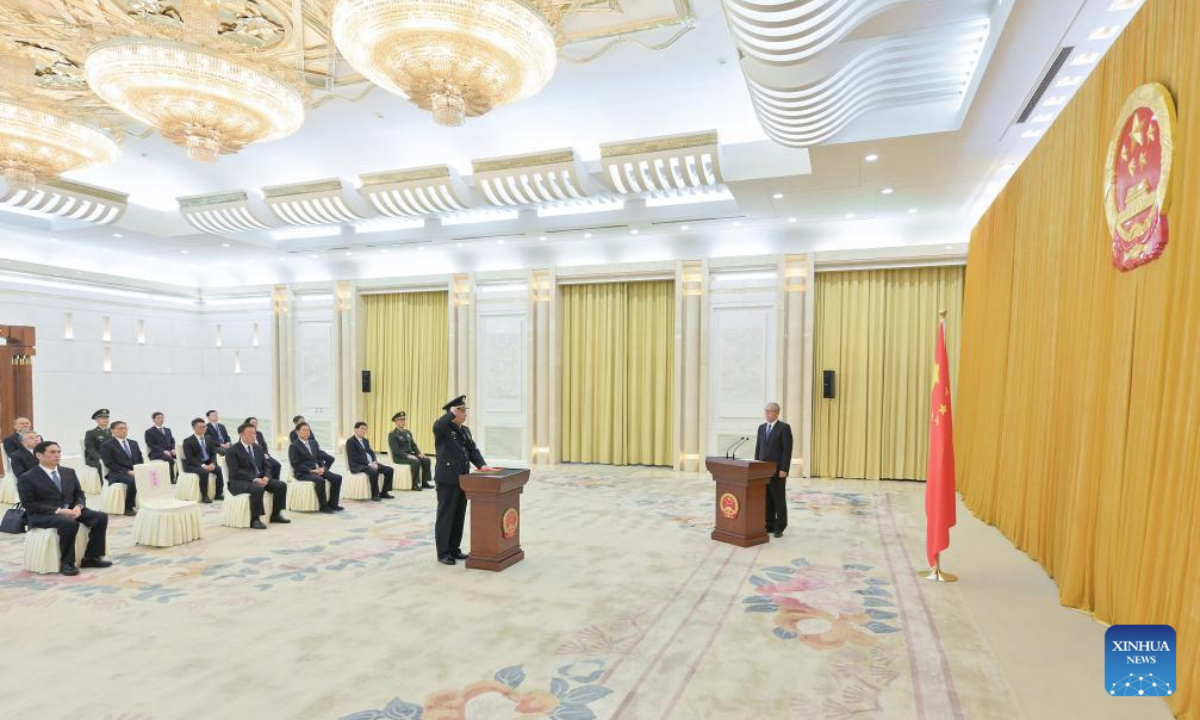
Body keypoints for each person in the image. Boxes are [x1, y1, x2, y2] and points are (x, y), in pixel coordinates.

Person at [17, 441, 112, 576]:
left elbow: (79, 493)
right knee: (67, 522)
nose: (57, 455)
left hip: (71, 509)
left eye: (59, 452)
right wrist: (59, 511)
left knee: (101, 516)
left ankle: (91, 557)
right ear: (39, 455)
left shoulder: (68, 472)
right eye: (52, 452)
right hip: (42, 514)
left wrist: (79, 506)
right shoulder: (27, 477)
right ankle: (67, 563)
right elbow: (29, 504)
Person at [432, 396, 497, 565]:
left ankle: (454, 549)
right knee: (446, 516)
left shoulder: (465, 430)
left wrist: (482, 465)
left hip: (463, 478)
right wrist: (449, 415)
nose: (466, 414)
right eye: (462, 410)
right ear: (454, 412)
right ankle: (443, 553)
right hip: (447, 479)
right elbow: (438, 426)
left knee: (458, 515)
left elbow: (472, 449)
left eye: (465, 410)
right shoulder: (444, 428)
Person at [225, 422, 289, 529]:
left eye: (254, 433)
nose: (253, 436)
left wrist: (266, 477)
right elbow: (235, 471)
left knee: (281, 485)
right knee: (257, 489)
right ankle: (255, 519)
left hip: (259, 479)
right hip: (239, 481)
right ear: (241, 434)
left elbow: (266, 466)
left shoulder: (258, 448)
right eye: (250, 433)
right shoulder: (232, 450)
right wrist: (254, 479)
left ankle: (276, 514)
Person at [754, 402, 793, 538]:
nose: (767, 414)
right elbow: (758, 449)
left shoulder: (784, 428)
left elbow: (787, 451)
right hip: (763, 470)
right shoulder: (761, 428)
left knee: (778, 499)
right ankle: (769, 524)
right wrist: (755, 466)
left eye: (769, 411)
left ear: (776, 413)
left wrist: (784, 469)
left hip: (777, 470)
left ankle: (780, 526)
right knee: (767, 498)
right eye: (766, 411)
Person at [288, 422, 343, 513]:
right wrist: (311, 470)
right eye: (304, 430)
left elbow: (319, 458)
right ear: (297, 432)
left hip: (318, 470)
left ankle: (333, 504)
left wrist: (323, 468)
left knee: (337, 478)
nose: (307, 432)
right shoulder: (294, 446)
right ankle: (323, 506)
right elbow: (295, 464)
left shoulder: (313, 443)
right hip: (304, 472)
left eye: (308, 430)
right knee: (320, 480)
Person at [99, 421, 141, 516]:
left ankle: (147, 502)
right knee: (133, 480)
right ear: (112, 431)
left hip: (134, 471)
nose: (124, 430)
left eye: (125, 428)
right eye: (120, 428)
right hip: (117, 473)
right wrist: (127, 471)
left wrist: (139, 469)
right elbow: (109, 463)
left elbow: (140, 458)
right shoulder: (107, 445)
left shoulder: (133, 443)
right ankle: (128, 507)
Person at [346, 422, 393, 501]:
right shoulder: (350, 441)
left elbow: (371, 452)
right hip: (359, 465)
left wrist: (374, 461)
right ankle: (375, 494)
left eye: (365, 429)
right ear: (355, 429)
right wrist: (369, 464)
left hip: (370, 463)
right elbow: (355, 457)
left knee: (389, 470)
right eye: (362, 429)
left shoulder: (365, 440)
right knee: (374, 473)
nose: (364, 431)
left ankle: (384, 492)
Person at [182, 417, 224, 503]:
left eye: (204, 427)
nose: (203, 429)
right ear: (194, 428)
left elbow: (213, 453)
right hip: (192, 465)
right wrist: (204, 466)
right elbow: (190, 458)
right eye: (200, 427)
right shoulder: (187, 441)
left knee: (218, 469)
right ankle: (205, 496)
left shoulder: (208, 438)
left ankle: (218, 494)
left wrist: (212, 463)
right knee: (204, 472)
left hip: (208, 462)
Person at [388, 411, 432, 491]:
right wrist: (407, 456)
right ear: (396, 422)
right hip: (399, 457)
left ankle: (424, 482)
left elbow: (413, 445)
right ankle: (414, 484)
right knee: (416, 462)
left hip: (409, 454)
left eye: (404, 420)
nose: (403, 422)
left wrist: (419, 453)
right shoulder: (392, 434)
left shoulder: (407, 432)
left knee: (426, 460)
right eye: (401, 420)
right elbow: (395, 450)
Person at [243, 417, 282, 481]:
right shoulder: (245, 434)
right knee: (268, 466)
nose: (255, 424)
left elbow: (264, 445)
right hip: (254, 457)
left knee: (277, 465)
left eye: (256, 422)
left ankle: (276, 481)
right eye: (253, 422)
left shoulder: (259, 434)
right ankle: (268, 481)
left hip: (264, 455)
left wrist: (266, 453)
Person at [144, 411, 178, 483]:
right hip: (157, 453)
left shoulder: (167, 430)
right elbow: (151, 444)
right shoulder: (149, 431)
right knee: (170, 460)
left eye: (162, 418)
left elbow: (172, 441)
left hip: (169, 451)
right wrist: (163, 451)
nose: (161, 419)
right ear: (153, 420)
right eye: (159, 418)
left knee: (182, 457)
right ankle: (172, 479)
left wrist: (173, 449)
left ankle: (179, 476)